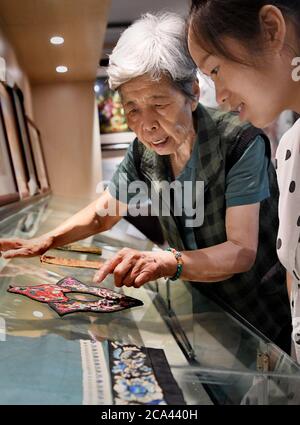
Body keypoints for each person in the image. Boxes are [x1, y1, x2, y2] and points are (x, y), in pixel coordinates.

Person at [0, 13, 291, 352]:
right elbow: (104, 213)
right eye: (133, 109)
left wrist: (168, 261)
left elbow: (241, 251)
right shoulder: (143, 152)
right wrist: (47, 239)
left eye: (159, 104)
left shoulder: (240, 143)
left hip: (261, 315)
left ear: (193, 93)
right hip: (206, 312)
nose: (147, 125)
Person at [188, 0, 300, 361]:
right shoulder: (290, 147)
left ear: (270, 29)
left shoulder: (244, 142)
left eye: (216, 69)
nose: (218, 96)